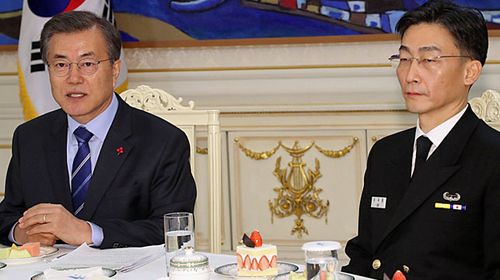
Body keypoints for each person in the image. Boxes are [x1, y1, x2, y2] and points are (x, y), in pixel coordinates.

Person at [0, 11, 196, 249]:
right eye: (61, 64)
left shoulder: (163, 141)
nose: (73, 78)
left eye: (87, 64)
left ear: (114, 70)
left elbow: (173, 230)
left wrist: (87, 232)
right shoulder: (30, 137)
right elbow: (7, 216)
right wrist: (21, 233)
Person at [342, 1, 500, 279]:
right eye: (404, 59)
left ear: (470, 72)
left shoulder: (492, 157)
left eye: (429, 60)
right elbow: (364, 253)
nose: (411, 75)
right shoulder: (386, 152)